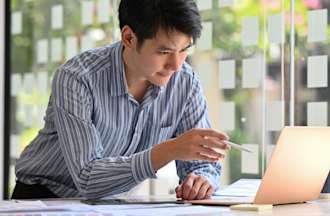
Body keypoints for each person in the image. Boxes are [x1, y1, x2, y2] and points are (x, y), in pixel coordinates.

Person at [13, 0, 230, 200]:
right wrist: (170, 149)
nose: (176, 65)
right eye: (164, 51)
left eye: (185, 49)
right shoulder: (78, 78)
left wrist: (201, 180)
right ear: (129, 38)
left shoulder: (185, 82)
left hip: (114, 203)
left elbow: (202, 165)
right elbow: (87, 179)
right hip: (44, 198)